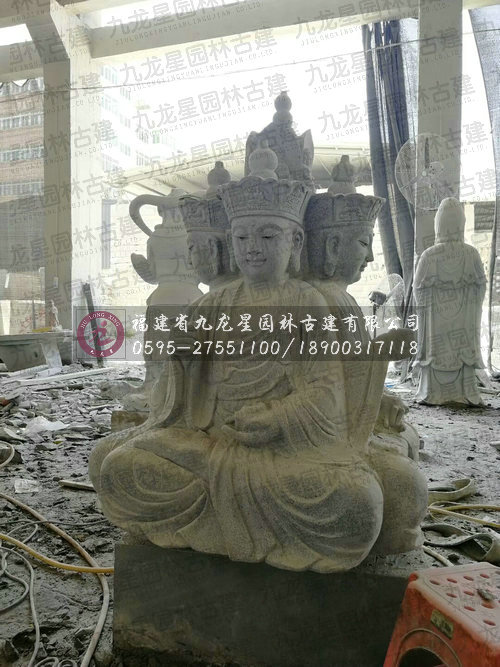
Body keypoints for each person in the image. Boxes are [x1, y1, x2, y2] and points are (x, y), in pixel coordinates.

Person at [89, 173, 388, 573]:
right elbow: (174, 394)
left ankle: (214, 512)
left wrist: (276, 418)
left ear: (296, 242)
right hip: (210, 442)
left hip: (281, 455)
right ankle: (229, 508)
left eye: (268, 236)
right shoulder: (212, 305)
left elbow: (326, 393)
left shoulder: (308, 303)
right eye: (242, 237)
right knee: (117, 468)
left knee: (357, 505)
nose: (253, 248)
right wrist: (183, 362)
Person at [305, 192, 428, 555]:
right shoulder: (315, 301)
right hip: (327, 431)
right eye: (363, 243)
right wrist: (381, 352)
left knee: (409, 440)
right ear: (331, 246)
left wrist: (382, 392)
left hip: (352, 422)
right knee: (404, 488)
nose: (371, 256)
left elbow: (352, 367)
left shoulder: (340, 298)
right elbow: (327, 383)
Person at [414, 197, 486, 405]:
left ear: (439, 224)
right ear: (460, 223)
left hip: (435, 325)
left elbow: (418, 290)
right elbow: (480, 287)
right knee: (461, 342)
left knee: (436, 346)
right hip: (463, 325)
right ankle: (464, 393)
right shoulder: (471, 254)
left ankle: (433, 393)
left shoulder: (428, 256)